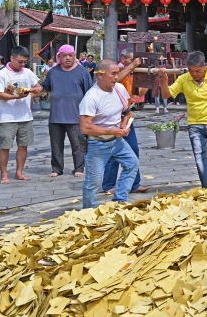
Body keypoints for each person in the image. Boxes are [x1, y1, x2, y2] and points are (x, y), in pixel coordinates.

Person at [159, 51, 207, 188]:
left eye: (197, 71)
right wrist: (164, 80)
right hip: (195, 125)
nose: (194, 74)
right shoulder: (184, 79)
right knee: (200, 156)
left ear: (204, 66)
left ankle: (206, 175)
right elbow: (166, 95)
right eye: (191, 70)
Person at [80, 59, 139, 209]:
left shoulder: (119, 88)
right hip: (97, 143)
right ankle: (88, 211)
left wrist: (124, 125)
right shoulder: (91, 97)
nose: (116, 77)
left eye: (117, 73)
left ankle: (119, 201)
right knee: (93, 182)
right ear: (100, 75)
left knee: (132, 164)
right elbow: (85, 128)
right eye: (113, 74)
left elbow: (128, 112)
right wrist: (112, 130)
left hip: (117, 141)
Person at [40, 44, 92, 178]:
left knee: (78, 144)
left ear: (74, 56)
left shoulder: (83, 72)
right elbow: (45, 87)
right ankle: (57, 169)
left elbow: (90, 93)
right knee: (56, 145)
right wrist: (33, 89)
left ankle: (79, 168)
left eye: (70, 55)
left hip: (76, 116)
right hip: (56, 115)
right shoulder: (53, 71)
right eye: (64, 56)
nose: (68, 58)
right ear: (59, 57)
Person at [0, 47, 44, 184]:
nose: (22, 64)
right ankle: (4, 175)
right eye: (20, 61)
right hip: (7, 118)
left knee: (23, 145)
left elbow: (39, 88)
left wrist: (35, 90)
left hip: (25, 116)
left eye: (25, 62)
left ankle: (19, 172)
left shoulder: (28, 72)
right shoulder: (1, 74)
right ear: (12, 58)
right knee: (5, 146)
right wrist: (17, 96)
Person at [102, 49, 149, 195]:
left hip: (127, 114)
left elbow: (139, 93)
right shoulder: (116, 71)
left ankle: (134, 183)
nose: (134, 62)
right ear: (123, 59)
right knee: (113, 152)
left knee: (133, 149)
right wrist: (132, 66)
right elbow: (116, 81)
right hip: (112, 117)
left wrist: (149, 80)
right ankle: (108, 185)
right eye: (131, 60)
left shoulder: (132, 73)